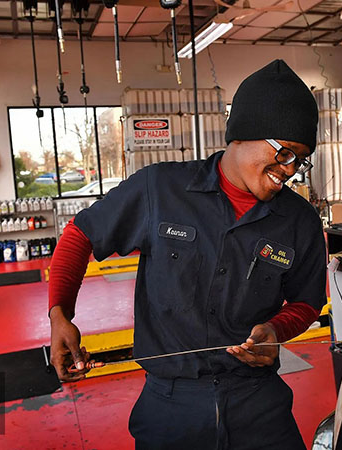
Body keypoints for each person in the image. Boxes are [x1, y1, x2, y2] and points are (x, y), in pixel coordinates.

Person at [48, 59, 327, 450]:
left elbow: (306, 302)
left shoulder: (299, 220)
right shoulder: (161, 189)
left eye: (301, 159)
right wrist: (60, 314)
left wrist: (276, 330)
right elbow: (80, 235)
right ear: (243, 133)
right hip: (170, 405)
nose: (291, 169)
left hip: (259, 405)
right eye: (285, 153)